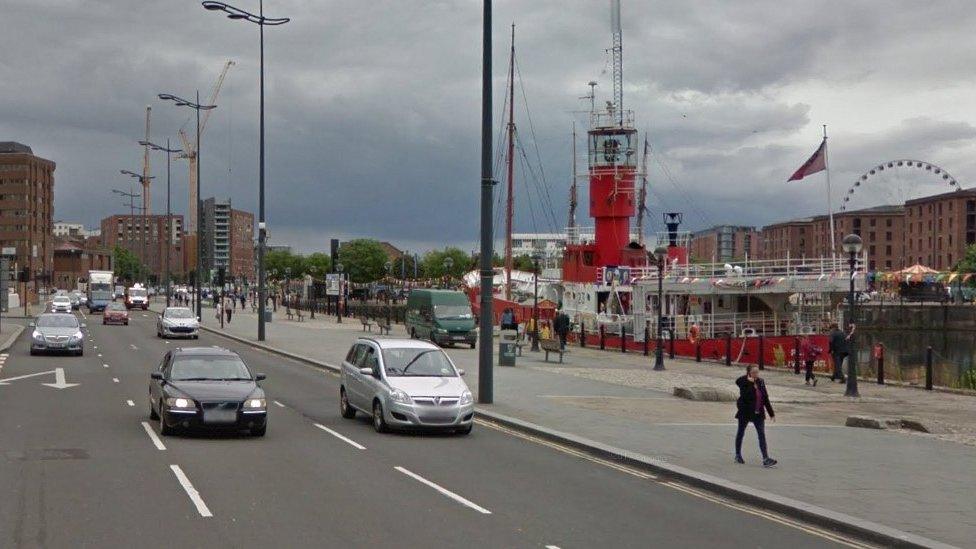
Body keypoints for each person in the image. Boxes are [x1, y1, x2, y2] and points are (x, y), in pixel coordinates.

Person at [734, 365, 777, 467]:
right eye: (754, 372)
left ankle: (765, 458)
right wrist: (750, 383)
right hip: (746, 412)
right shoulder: (743, 381)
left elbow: (765, 398)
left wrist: (771, 413)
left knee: (761, 434)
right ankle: (738, 454)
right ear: (749, 372)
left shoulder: (761, 382)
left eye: (757, 372)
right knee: (741, 432)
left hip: (758, 413)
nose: (756, 374)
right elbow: (745, 395)